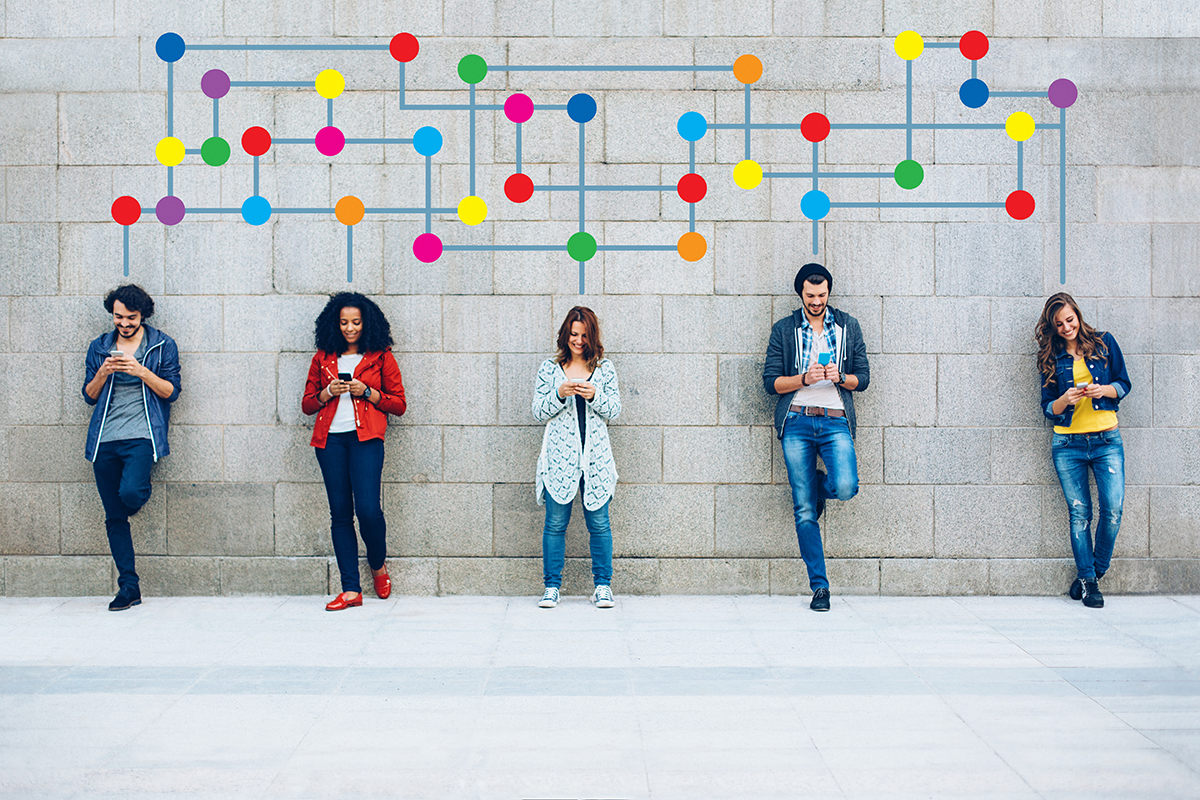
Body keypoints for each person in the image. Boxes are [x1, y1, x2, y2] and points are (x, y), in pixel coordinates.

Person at [763, 264, 870, 612]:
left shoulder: (847, 327)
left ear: (828, 293)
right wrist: (803, 379)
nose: (816, 301)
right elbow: (771, 383)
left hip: (836, 420)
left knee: (846, 487)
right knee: (805, 509)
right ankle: (820, 587)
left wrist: (841, 377)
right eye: (810, 296)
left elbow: (864, 378)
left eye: (822, 295)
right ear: (801, 295)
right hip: (796, 421)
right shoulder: (784, 329)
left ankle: (819, 484)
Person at [302, 292, 407, 611]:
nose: (350, 328)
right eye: (344, 322)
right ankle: (351, 589)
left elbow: (399, 404)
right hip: (330, 441)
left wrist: (370, 393)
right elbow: (307, 404)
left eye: (356, 322)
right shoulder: (323, 357)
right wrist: (325, 393)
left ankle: (378, 565)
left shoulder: (381, 356)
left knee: (368, 511)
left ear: (367, 323)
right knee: (340, 514)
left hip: (366, 440)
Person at [82, 285, 181, 611]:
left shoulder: (162, 345)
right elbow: (89, 395)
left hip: (142, 437)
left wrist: (140, 370)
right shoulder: (100, 347)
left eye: (131, 318)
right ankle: (129, 586)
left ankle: (135, 494)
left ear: (143, 316)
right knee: (114, 518)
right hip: (104, 440)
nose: (124, 323)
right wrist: (103, 372)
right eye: (118, 317)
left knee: (131, 495)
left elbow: (171, 391)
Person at [1037, 293, 1131, 609]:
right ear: (1052, 327)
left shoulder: (1105, 343)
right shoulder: (1051, 356)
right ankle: (1089, 583)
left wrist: (1102, 390)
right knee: (1079, 513)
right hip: (1068, 444)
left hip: (1106, 440)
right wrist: (1065, 400)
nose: (1066, 327)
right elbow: (1048, 406)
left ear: (1078, 314)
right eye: (1059, 324)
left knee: (1113, 510)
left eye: (1070, 319)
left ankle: (1094, 571)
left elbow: (1123, 384)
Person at [532, 306, 621, 609]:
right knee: (555, 523)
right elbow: (538, 411)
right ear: (565, 335)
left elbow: (614, 410)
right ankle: (551, 586)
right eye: (573, 334)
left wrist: (594, 394)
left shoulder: (604, 369)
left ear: (592, 336)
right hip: (560, 458)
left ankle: (603, 586)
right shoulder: (550, 368)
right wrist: (560, 393)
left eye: (584, 335)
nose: (578, 340)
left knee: (599, 523)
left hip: (596, 458)